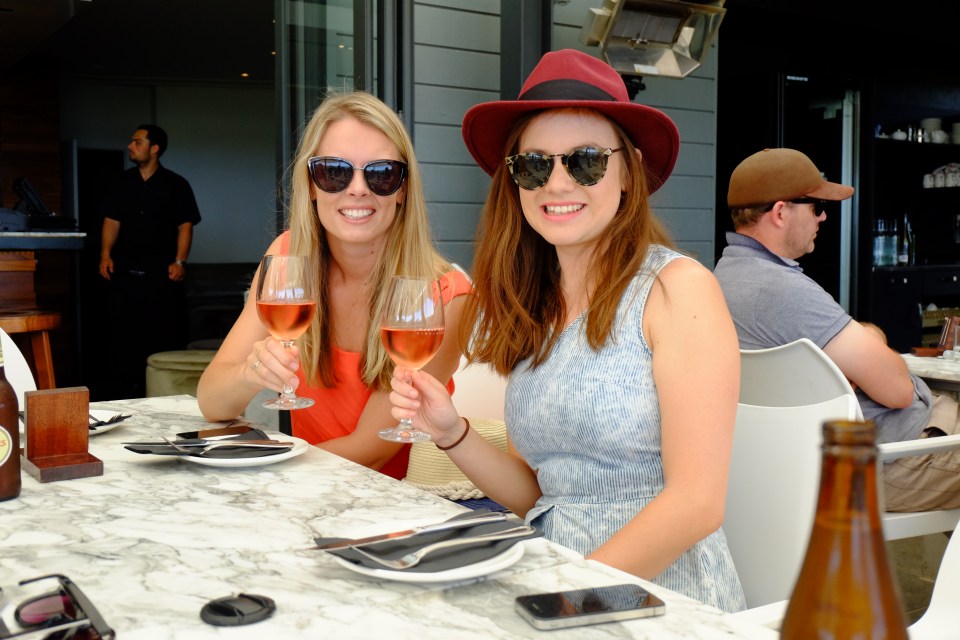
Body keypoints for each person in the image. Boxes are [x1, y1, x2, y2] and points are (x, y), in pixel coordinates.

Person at [386, 49, 745, 612]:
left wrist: (561, 596)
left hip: (658, 596)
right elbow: (544, 496)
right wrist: (450, 431)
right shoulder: (536, 304)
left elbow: (696, 504)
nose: (556, 182)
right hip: (550, 574)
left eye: (585, 162)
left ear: (628, 173)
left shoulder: (677, 289)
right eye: (534, 165)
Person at [196, 91, 472, 480]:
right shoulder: (289, 258)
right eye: (334, 172)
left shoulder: (444, 295)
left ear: (403, 189)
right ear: (310, 185)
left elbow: (371, 450)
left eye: (381, 174)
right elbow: (211, 401)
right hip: (305, 490)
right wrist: (250, 373)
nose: (357, 189)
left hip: (396, 507)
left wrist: (264, 477)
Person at [714, 147, 960, 512]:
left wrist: (864, 345)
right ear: (780, 212)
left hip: (802, 462)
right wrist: (870, 343)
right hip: (887, 458)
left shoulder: (723, 279)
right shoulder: (784, 290)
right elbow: (898, 391)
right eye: (816, 207)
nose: (824, 217)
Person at [98, 124, 201, 398]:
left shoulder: (176, 185)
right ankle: (125, 389)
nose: (131, 146)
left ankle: (163, 390)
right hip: (125, 269)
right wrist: (105, 254)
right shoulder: (122, 182)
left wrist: (180, 261)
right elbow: (111, 221)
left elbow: (185, 226)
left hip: (162, 271)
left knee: (163, 328)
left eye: (137, 142)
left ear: (154, 148)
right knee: (123, 330)